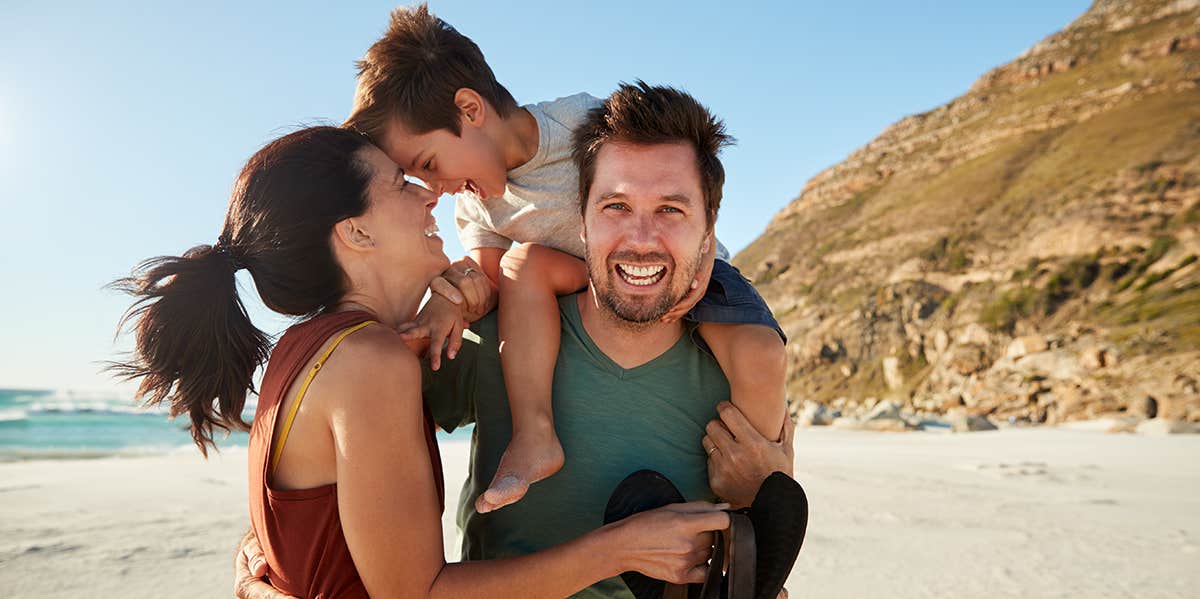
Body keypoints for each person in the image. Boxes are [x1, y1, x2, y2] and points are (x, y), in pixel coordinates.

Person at [111, 126, 733, 598]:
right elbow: (418, 594)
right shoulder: (368, 361)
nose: (429, 194)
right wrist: (623, 548)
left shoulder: (309, 349)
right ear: (355, 234)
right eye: (399, 184)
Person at [238, 84, 797, 599]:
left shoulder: (736, 368)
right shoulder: (488, 342)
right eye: (616, 207)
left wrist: (767, 492)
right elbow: (337, 456)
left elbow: (759, 568)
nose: (642, 238)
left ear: (710, 225)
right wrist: (273, 549)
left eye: (671, 210)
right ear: (581, 218)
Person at [344, 5, 789, 512]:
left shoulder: (583, 123)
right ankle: (535, 435)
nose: (436, 189)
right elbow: (489, 286)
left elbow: (683, 171)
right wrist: (451, 300)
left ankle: (763, 498)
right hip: (590, 280)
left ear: (470, 109)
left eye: (429, 164)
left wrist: (704, 253)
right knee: (521, 265)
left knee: (761, 354)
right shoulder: (475, 204)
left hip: (681, 271)